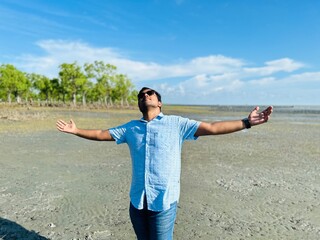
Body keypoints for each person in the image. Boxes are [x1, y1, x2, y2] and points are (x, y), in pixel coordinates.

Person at [56, 87, 273, 240]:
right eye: (141, 95)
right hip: (138, 202)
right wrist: (76, 131)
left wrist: (246, 122)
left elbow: (213, 127)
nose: (145, 96)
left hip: (163, 201)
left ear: (159, 102)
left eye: (149, 93)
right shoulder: (131, 128)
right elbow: (102, 133)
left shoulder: (177, 123)